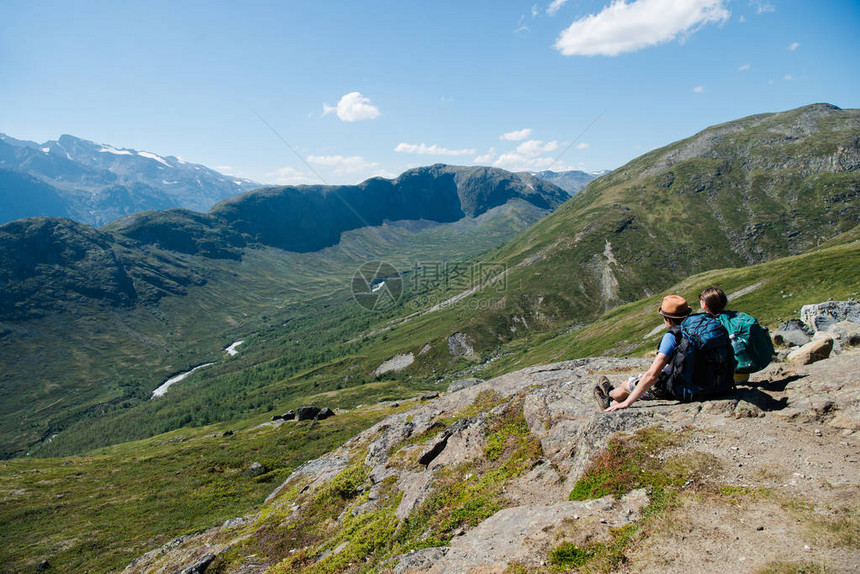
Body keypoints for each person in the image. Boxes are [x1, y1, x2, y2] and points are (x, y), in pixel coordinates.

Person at [597, 295, 692, 412]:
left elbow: (652, 376)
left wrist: (628, 402)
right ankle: (612, 397)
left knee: (626, 385)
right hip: (699, 382)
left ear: (668, 319)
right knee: (635, 382)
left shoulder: (672, 337)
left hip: (674, 388)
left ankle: (609, 396)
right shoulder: (696, 329)